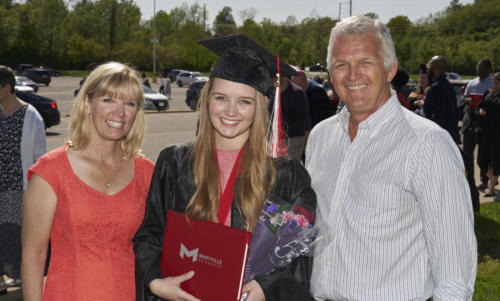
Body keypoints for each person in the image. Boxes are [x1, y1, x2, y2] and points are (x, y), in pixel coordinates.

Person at [133, 35, 317, 301]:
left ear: (262, 105)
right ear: (207, 99)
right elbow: (150, 234)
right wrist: (155, 282)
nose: (231, 111)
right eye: (221, 98)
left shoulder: (286, 176)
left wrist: (267, 288)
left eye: (244, 101)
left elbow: (300, 257)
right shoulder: (173, 163)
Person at [306, 16, 476, 300]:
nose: (352, 75)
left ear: (390, 68)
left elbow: (455, 279)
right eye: (341, 64)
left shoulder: (427, 145)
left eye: (365, 62)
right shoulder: (320, 138)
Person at [22, 62, 155, 301]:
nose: (120, 112)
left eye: (130, 103)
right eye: (108, 100)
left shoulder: (147, 173)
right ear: (87, 104)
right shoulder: (51, 171)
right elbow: (34, 257)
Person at [0, 65, 46, 294]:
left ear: (6, 87)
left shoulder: (31, 117)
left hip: (18, 189)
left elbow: (40, 159)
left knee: (14, 235)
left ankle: (18, 278)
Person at [462, 59, 493, 192]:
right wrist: (468, 100)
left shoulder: (492, 83)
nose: (480, 69)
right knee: (468, 152)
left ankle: (485, 180)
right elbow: (464, 98)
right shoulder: (472, 82)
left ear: (489, 69)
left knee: (484, 155)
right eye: (479, 66)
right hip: (471, 120)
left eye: (484, 67)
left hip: (486, 122)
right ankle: (469, 180)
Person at [270, 75, 311, 161]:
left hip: (292, 140)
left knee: (288, 171)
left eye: (274, 76)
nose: (272, 79)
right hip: (273, 139)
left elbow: (306, 123)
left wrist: (307, 148)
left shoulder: (298, 93)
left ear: (284, 76)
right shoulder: (272, 91)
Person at [423, 55, 461, 144]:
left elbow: (435, 114)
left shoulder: (436, 87)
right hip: (450, 132)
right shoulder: (448, 85)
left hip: (440, 135)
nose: (427, 67)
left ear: (436, 69)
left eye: (430, 64)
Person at [477, 72, 500, 197]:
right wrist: (480, 110)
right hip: (485, 132)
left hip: (497, 133)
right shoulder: (488, 93)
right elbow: (480, 106)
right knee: (481, 160)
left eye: (497, 83)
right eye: (494, 82)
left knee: (495, 160)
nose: (494, 85)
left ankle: (491, 187)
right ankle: (492, 179)